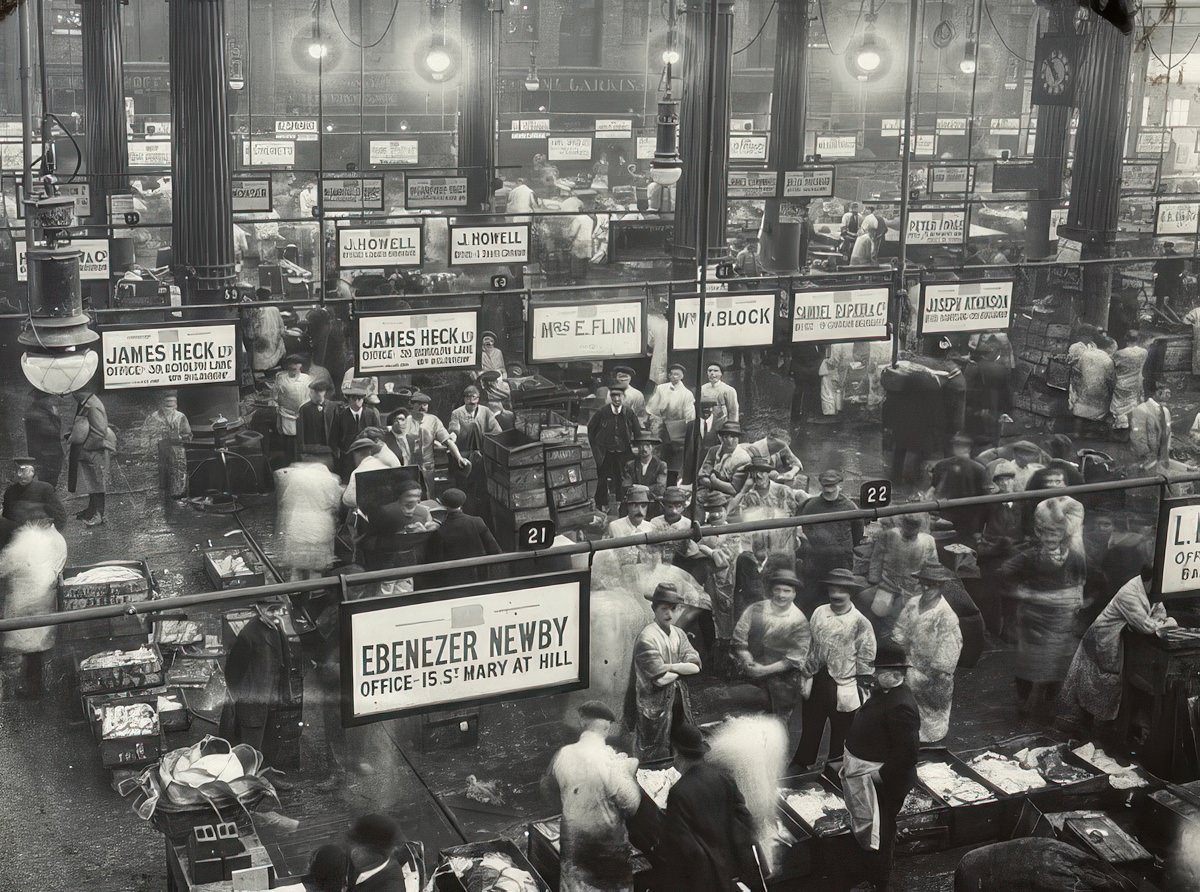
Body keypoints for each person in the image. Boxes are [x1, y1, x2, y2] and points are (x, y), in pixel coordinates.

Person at [840, 643, 920, 892]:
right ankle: (868, 863)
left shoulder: (902, 705)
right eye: (880, 669)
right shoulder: (883, 691)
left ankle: (880, 879)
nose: (879, 674)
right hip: (864, 767)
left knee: (882, 827)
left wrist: (880, 775)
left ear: (898, 674)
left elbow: (907, 753)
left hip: (883, 778)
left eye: (884, 670)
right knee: (869, 821)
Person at [1059, 566, 1177, 734]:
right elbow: (1146, 626)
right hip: (1103, 638)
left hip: (1118, 640)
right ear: (1150, 580)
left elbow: (1159, 615)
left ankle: (1102, 726)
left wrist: (1162, 622)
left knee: (1106, 683)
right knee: (1095, 680)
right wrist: (1168, 623)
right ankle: (1087, 725)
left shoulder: (1153, 591)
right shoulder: (1130, 593)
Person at [1000, 496, 1087, 718]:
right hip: (1035, 620)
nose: (1051, 538)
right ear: (1039, 533)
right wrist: (1028, 593)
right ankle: (1026, 702)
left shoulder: (1074, 557)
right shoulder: (1029, 557)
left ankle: (1049, 704)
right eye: (1046, 533)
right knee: (1031, 665)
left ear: (1064, 535)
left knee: (1057, 665)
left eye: (1056, 533)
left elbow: (1083, 581)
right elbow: (1005, 574)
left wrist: (1079, 599)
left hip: (1060, 621)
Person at [541, 701, 642, 892]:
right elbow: (631, 804)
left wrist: (570, 805)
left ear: (582, 722)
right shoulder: (610, 761)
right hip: (608, 853)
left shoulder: (562, 754)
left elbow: (546, 788)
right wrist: (628, 772)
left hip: (574, 848)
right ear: (606, 728)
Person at [651, 724, 764, 892]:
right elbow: (744, 819)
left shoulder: (679, 792)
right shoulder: (722, 777)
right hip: (729, 866)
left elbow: (679, 844)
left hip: (704, 876)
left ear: (676, 753)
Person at [793, 569, 876, 770]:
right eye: (833, 589)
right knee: (811, 725)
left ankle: (835, 768)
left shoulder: (860, 622)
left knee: (842, 731)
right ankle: (802, 762)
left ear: (850, 593)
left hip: (844, 682)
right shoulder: (820, 612)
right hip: (818, 678)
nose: (836, 594)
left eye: (842, 590)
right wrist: (806, 665)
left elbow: (867, 656)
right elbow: (808, 642)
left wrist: (863, 687)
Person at [626, 582, 702, 760]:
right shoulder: (647, 637)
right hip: (654, 707)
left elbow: (695, 666)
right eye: (664, 609)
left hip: (679, 704)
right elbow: (660, 680)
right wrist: (680, 668)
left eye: (673, 609)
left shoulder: (679, 634)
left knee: (682, 747)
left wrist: (668, 666)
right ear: (654, 609)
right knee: (654, 752)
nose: (669, 614)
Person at [892, 564, 963, 743]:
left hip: (934, 674)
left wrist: (932, 676)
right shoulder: (913, 603)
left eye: (930, 585)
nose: (925, 588)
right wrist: (902, 655)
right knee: (908, 713)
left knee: (932, 720)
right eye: (923, 583)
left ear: (940, 586)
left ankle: (930, 747)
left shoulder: (946, 615)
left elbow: (948, 652)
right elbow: (900, 630)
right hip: (911, 665)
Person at [732, 570, 811, 724]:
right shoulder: (755, 609)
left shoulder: (799, 620)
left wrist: (763, 670)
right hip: (750, 675)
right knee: (747, 722)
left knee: (776, 726)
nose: (781, 595)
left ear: (794, 593)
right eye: (778, 589)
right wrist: (748, 661)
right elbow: (739, 639)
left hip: (782, 682)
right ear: (772, 590)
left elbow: (795, 658)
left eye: (787, 591)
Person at [0, 521, 66, 697]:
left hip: (32, 602)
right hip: (35, 601)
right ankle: (32, 684)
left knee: (32, 649)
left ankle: (33, 688)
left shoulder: (33, 538)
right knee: (33, 648)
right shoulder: (53, 539)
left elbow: (7, 563)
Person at [861, 513, 938, 644]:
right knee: (878, 613)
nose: (910, 528)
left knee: (910, 621)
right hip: (888, 584)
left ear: (920, 526)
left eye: (914, 526)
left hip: (913, 588)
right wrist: (874, 578)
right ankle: (880, 643)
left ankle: (903, 647)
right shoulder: (889, 535)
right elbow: (877, 558)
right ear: (902, 523)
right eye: (908, 524)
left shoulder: (928, 541)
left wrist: (929, 586)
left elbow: (933, 565)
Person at [797, 470, 864, 601]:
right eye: (826, 486)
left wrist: (846, 549)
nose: (829, 490)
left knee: (840, 591)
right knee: (814, 594)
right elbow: (804, 530)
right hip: (817, 559)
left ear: (840, 486)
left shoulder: (850, 507)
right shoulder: (811, 506)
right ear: (821, 486)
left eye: (832, 486)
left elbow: (858, 533)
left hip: (841, 559)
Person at [418, 488, 501, 589]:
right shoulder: (477, 521)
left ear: (442, 504)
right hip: (479, 575)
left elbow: (435, 560)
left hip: (452, 580)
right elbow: (494, 550)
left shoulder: (440, 530)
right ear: (462, 503)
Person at [728, 458, 801, 566]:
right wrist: (744, 490)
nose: (758, 476)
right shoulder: (748, 496)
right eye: (754, 472)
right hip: (759, 550)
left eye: (762, 472)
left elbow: (793, 518)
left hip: (782, 547)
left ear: (768, 473)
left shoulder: (783, 491)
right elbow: (729, 512)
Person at [405, 392, 470, 497]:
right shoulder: (405, 421)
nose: (422, 407)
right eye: (419, 404)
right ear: (412, 405)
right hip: (408, 465)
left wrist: (459, 457)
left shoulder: (433, 420)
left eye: (425, 404)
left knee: (428, 493)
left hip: (427, 465)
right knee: (409, 493)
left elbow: (447, 441)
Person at [587, 385, 641, 512]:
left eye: (619, 396)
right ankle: (602, 504)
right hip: (605, 451)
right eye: (614, 396)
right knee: (602, 477)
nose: (617, 399)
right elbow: (591, 429)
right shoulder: (602, 412)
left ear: (624, 397)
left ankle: (621, 503)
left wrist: (635, 446)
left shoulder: (628, 412)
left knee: (621, 476)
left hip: (623, 451)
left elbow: (637, 431)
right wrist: (595, 446)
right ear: (610, 397)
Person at [928, 433, 989, 538]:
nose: (958, 449)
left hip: (969, 513)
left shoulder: (979, 469)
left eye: (962, 446)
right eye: (956, 446)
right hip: (946, 512)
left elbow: (985, 499)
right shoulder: (942, 465)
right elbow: (933, 487)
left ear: (968, 448)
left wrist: (980, 526)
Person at [68, 388, 114, 526]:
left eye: (74, 393)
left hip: (94, 450)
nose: (73, 396)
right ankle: (92, 509)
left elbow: (100, 431)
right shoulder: (86, 402)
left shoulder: (92, 406)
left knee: (97, 483)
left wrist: (86, 446)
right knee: (91, 481)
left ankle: (99, 515)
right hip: (89, 450)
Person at [346, 813, 424, 892]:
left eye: (362, 847)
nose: (354, 851)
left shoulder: (390, 887)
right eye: (354, 842)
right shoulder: (357, 862)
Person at [645, 364, 696, 482]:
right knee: (658, 452)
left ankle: (673, 482)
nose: (674, 377)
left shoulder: (686, 393)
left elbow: (689, 415)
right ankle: (654, 480)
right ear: (669, 375)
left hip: (677, 427)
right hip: (661, 423)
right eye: (672, 374)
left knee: (675, 457)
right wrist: (655, 422)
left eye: (677, 374)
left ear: (682, 376)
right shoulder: (661, 388)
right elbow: (653, 407)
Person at [141, 391, 193, 499]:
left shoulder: (180, 417)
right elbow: (145, 435)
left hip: (176, 451)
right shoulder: (153, 417)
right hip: (158, 452)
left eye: (172, 402)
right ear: (162, 403)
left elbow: (188, 435)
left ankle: (178, 497)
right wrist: (147, 450)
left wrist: (180, 438)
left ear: (176, 403)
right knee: (160, 480)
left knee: (178, 478)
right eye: (167, 402)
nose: (169, 406)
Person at [329, 382, 383, 479]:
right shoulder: (341, 416)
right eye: (354, 399)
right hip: (347, 458)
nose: (358, 401)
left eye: (360, 398)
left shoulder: (370, 414)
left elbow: (378, 434)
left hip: (367, 456)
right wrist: (339, 455)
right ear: (349, 400)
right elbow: (333, 438)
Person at [603, 485, 660, 570]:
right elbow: (606, 557)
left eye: (643, 506)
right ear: (627, 506)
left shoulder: (651, 528)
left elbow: (656, 561)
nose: (640, 510)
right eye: (635, 505)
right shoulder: (615, 526)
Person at [1067, 329, 1115, 429]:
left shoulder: (1087, 351)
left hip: (1084, 386)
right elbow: (1110, 378)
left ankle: (1079, 429)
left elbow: (1079, 367)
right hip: (1092, 390)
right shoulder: (1108, 360)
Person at [2, 457, 65, 530]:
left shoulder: (45, 489)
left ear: (33, 473)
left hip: (41, 532)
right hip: (17, 532)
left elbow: (59, 514)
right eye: (19, 473)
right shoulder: (10, 491)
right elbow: (7, 515)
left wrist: (54, 529)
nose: (22, 477)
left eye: (26, 474)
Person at [274, 355, 313, 466]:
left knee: (302, 440)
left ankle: (302, 463)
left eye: (296, 368)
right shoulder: (281, 379)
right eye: (291, 369)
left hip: (303, 414)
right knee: (289, 441)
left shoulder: (307, 379)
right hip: (287, 414)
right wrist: (277, 408)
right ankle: (289, 463)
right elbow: (275, 396)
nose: (293, 371)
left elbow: (310, 395)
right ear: (287, 367)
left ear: (300, 367)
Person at [697, 421, 752, 497]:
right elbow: (702, 477)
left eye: (733, 437)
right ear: (721, 437)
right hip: (707, 493)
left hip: (730, 498)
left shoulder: (743, 458)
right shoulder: (713, 451)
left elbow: (734, 489)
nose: (729, 441)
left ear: (738, 438)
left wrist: (714, 481)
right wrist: (718, 485)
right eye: (726, 437)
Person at [1109, 332, 1147, 432]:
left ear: (1125, 339)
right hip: (1136, 384)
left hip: (1122, 383)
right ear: (1138, 339)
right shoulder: (1144, 352)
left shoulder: (1119, 354)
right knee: (1133, 405)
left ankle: (1120, 428)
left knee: (1120, 407)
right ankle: (1131, 428)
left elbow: (1112, 368)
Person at [24, 390, 62, 486]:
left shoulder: (40, 411)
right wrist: (56, 416)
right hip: (46, 455)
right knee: (47, 482)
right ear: (41, 400)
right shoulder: (37, 414)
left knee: (47, 481)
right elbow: (53, 432)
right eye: (48, 398)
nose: (51, 401)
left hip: (46, 454)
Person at [679, 400, 720, 487]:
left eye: (709, 409)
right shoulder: (691, 425)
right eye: (703, 410)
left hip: (711, 472)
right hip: (693, 470)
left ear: (712, 409)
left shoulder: (719, 425)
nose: (706, 413)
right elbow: (687, 450)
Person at [296, 380, 337, 467]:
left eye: (312, 392)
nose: (310, 395)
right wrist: (303, 451)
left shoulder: (333, 407)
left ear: (322, 393)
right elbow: (300, 433)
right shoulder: (304, 409)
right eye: (310, 392)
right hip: (311, 452)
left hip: (329, 451)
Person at [819, 342, 856, 418]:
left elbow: (835, 360)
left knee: (830, 391)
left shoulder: (836, 345)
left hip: (835, 369)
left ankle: (831, 412)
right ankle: (834, 411)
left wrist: (827, 361)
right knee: (834, 390)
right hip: (838, 368)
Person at [700, 362, 740, 430]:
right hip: (705, 423)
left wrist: (731, 428)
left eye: (716, 371)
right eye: (710, 371)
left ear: (721, 373)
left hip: (722, 424)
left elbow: (733, 411)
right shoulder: (702, 389)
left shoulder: (728, 390)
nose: (712, 373)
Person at [1154, 240, 1186, 311]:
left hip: (1171, 280)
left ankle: (1169, 312)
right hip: (1165, 280)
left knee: (1171, 297)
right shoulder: (1163, 257)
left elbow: (1180, 268)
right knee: (1161, 297)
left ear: (1171, 247)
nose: (1166, 249)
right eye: (1165, 247)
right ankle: (1160, 311)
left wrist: (1177, 275)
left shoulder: (1176, 257)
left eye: (1167, 247)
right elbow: (1156, 267)